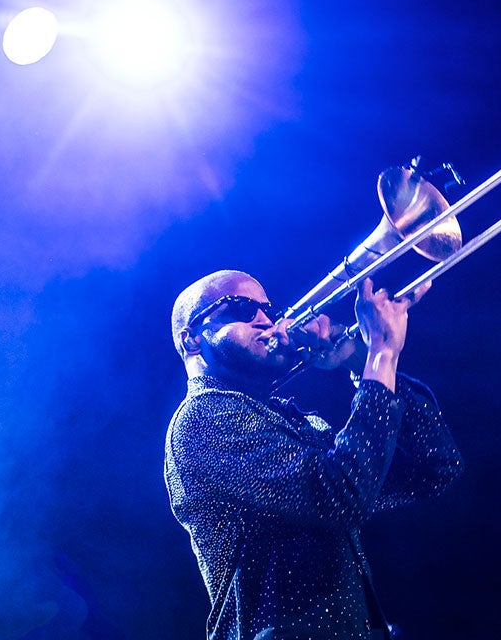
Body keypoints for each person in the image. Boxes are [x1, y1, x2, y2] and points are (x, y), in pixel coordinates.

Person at [164, 270, 463, 640]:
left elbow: (433, 465)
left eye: (267, 310)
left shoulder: (296, 422)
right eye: (239, 308)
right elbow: (341, 496)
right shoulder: (204, 417)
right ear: (191, 339)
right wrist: (382, 355)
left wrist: (356, 359)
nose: (264, 319)